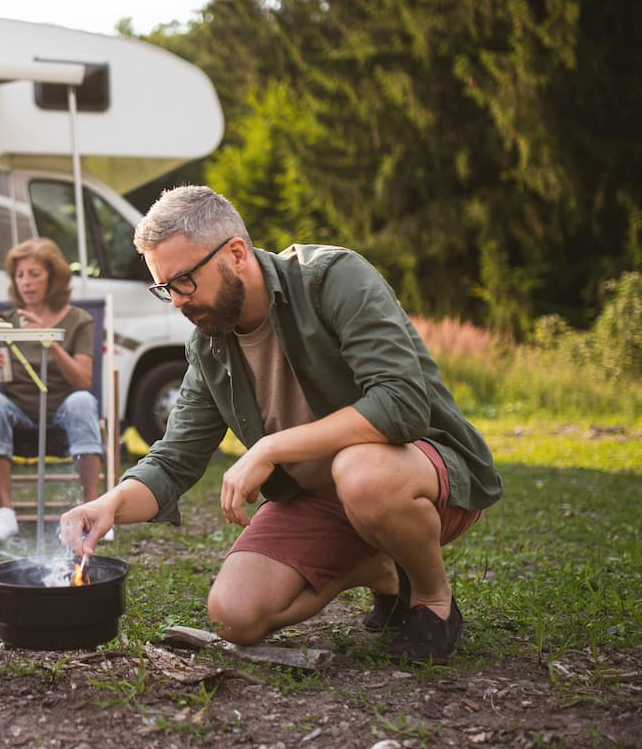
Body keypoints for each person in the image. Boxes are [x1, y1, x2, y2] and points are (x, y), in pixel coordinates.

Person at [59, 186, 502, 663]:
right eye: (165, 287)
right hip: (319, 501)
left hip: (414, 476)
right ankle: (379, 568)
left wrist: (270, 449)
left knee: (361, 472)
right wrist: (107, 506)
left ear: (235, 253)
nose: (177, 302)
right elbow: (173, 461)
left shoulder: (332, 278)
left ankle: (432, 600)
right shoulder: (208, 344)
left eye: (184, 280)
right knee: (234, 617)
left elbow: (401, 403)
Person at [0, 237, 105, 542]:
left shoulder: (79, 320)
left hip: (64, 416)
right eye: (20, 275)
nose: (26, 282)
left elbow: (82, 380)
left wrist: (47, 341)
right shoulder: (3, 322)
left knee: (83, 401)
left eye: (34, 274)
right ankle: (6, 514)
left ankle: (92, 510)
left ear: (54, 277)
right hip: (18, 418)